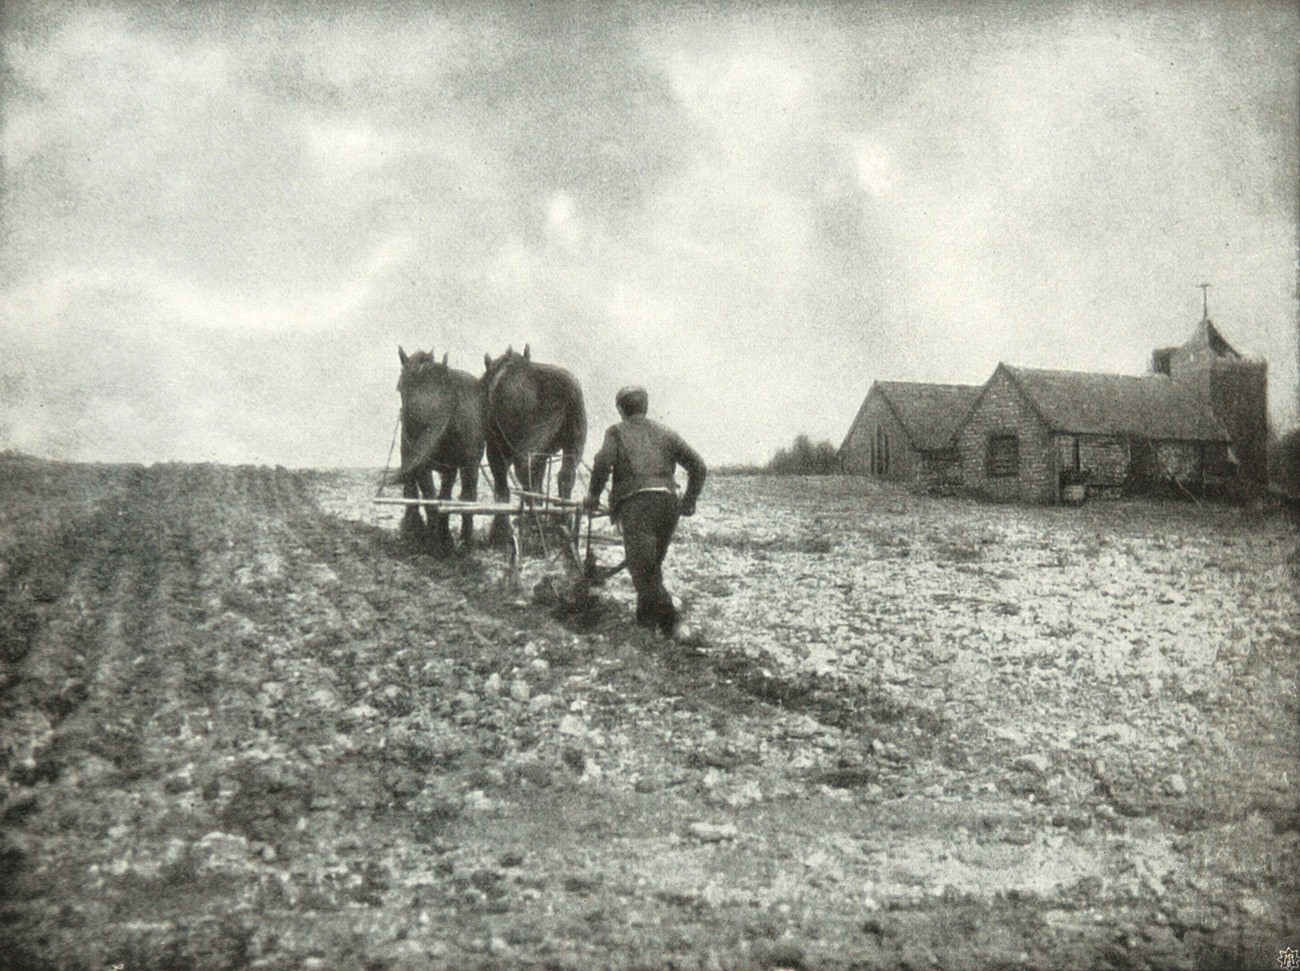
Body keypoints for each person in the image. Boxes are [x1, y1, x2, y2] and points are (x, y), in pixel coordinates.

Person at [584, 386, 706, 638]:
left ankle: (673, 624)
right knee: (651, 564)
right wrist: (689, 500)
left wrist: (593, 496)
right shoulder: (667, 433)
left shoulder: (616, 431)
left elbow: (602, 463)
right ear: (645, 406)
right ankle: (645, 620)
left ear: (620, 409)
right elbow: (698, 466)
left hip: (637, 505)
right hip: (668, 505)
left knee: (643, 571)